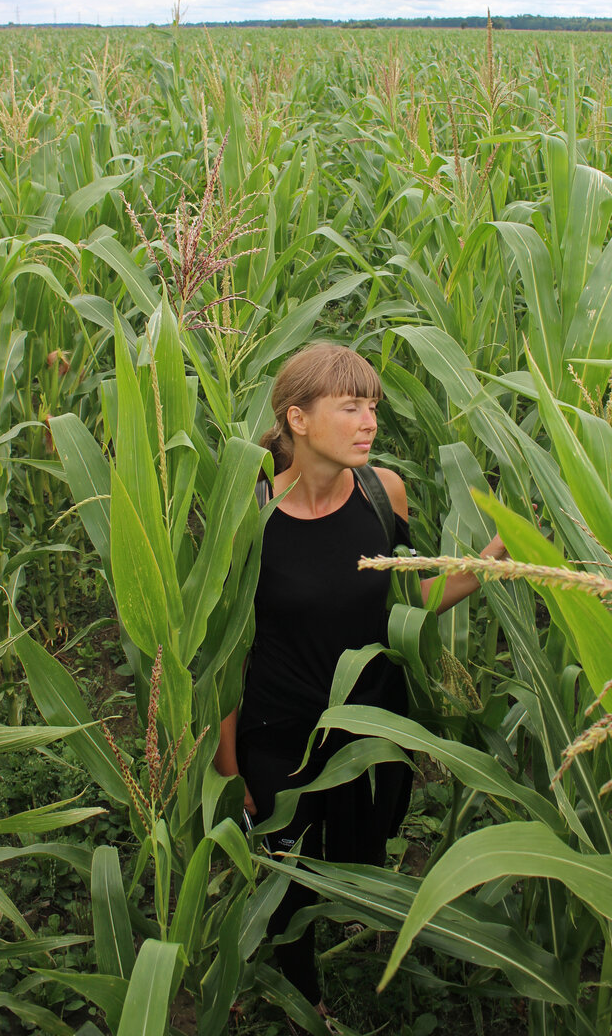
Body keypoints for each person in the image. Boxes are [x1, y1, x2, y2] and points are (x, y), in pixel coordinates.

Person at [213, 342, 506, 1023]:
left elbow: (407, 605)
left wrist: (490, 563)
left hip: (373, 725)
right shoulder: (248, 513)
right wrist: (232, 770)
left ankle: (350, 899)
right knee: (286, 879)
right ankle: (302, 995)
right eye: (350, 407)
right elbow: (224, 649)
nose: (369, 421)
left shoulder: (384, 493)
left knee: (361, 843)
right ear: (299, 418)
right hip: (279, 730)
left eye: (372, 406)